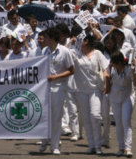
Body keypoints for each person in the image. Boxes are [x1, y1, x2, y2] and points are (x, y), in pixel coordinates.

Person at [71, 34, 109, 155]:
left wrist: (106, 80)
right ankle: (91, 145)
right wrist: (70, 42)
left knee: (95, 116)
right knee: (86, 118)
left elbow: (106, 67)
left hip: (95, 89)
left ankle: (98, 145)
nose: (79, 42)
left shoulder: (97, 53)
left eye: (81, 40)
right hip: (81, 90)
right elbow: (63, 52)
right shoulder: (75, 53)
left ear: (86, 41)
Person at [39, 27, 74, 155]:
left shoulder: (64, 51)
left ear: (52, 38)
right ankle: (44, 140)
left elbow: (71, 70)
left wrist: (56, 77)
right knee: (45, 115)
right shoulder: (44, 50)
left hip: (59, 87)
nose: (44, 40)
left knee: (56, 117)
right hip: (45, 87)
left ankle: (54, 145)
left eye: (46, 37)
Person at [105, 51, 136, 157]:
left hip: (127, 97)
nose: (111, 64)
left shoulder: (129, 69)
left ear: (119, 62)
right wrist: (106, 78)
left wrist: (134, 72)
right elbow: (107, 86)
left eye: (113, 62)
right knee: (118, 123)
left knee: (126, 122)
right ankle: (121, 147)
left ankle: (128, 148)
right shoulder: (111, 68)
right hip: (115, 98)